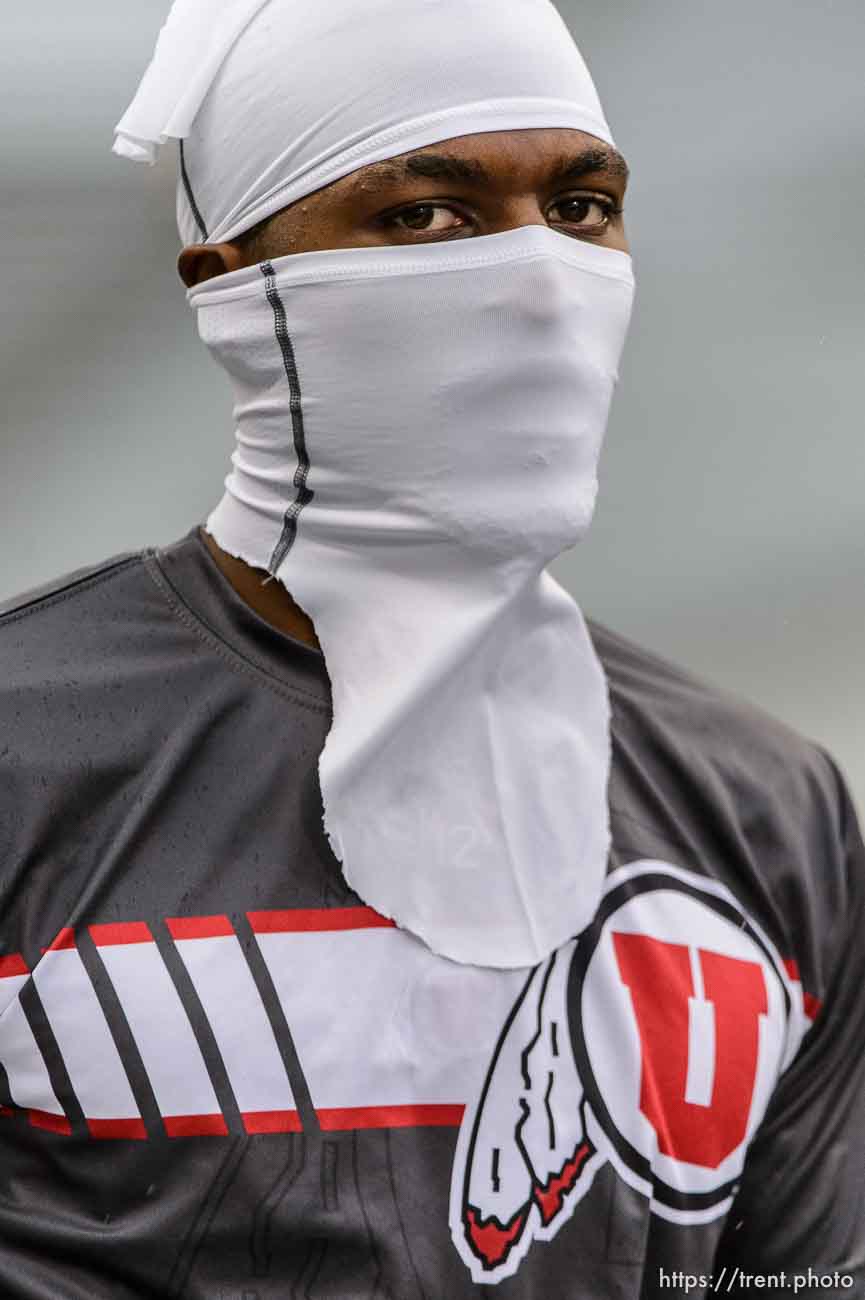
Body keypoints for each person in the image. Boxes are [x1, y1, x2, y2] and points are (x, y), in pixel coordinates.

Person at [0, 0, 862, 1296]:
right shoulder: (27, 752)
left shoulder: (762, 806)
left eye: (580, 207)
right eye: (425, 214)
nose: (535, 281)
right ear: (228, 284)